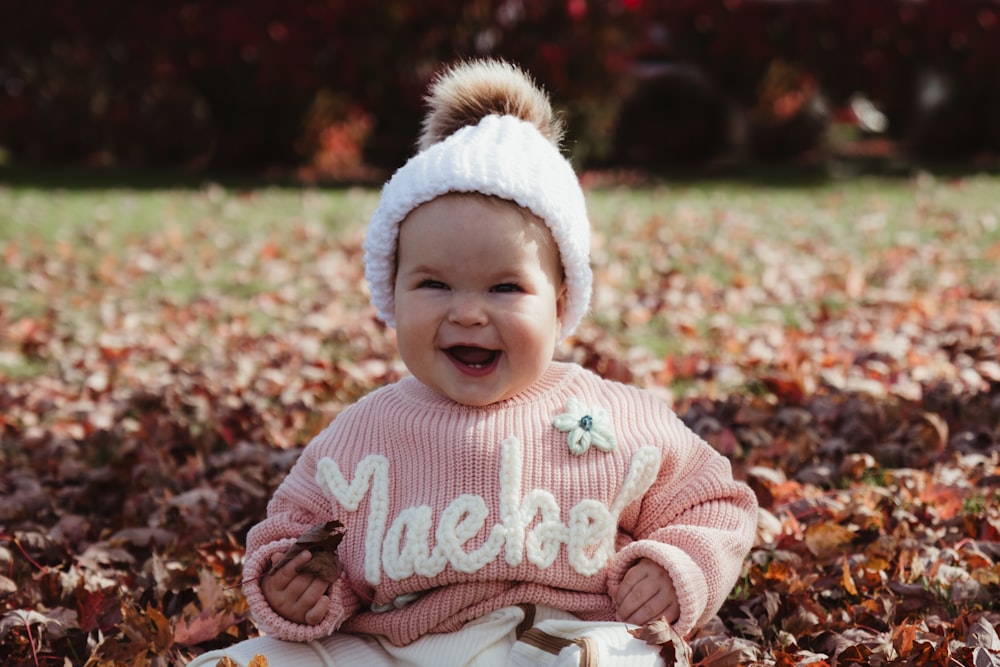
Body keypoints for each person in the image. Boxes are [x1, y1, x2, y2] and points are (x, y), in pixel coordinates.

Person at [187, 58, 757, 666]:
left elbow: (715, 505)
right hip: (396, 647)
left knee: (621, 656)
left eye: (504, 289)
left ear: (561, 302)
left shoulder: (614, 417)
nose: (467, 314)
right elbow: (293, 530)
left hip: (559, 638)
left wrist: (676, 567)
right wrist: (295, 586)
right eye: (433, 284)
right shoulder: (364, 433)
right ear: (393, 289)